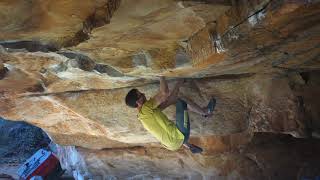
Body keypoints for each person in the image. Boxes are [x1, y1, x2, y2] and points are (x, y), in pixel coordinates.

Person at [125, 77, 216, 153]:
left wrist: (179, 83)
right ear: (138, 102)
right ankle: (205, 112)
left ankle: (189, 146)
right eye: (140, 94)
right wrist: (161, 74)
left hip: (171, 145)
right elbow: (164, 93)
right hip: (178, 136)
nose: (143, 94)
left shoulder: (144, 116)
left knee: (170, 126)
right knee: (182, 101)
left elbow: (170, 100)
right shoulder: (146, 108)